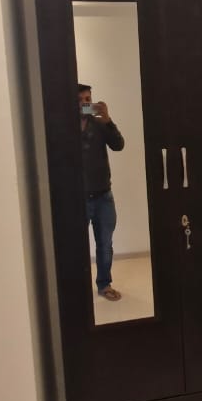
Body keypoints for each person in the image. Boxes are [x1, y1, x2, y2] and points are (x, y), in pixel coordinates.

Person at [79, 84, 125, 301]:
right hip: (76, 198)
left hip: (103, 196)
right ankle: (77, 289)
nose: (84, 103)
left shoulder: (99, 125)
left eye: (88, 99)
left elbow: (118, 145)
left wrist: (108, 120)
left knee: (105, 244)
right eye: (80, 100)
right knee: (75, 246)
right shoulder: (63, 128)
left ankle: (104, 284)